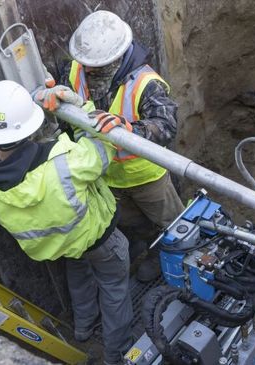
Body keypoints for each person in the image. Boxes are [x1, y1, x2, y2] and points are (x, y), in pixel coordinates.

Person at [0, 80, 133, 365]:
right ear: (29, 126)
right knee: (114, 287)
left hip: (58, 246)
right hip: (98, 239)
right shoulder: (63, 160)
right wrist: (81, 107)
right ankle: (116, 354)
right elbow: (106, 143)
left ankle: (83, 329)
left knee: (79, 275)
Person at [58, 10, 184, 282]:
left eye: (95, 64)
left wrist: (131, 130)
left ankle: (174, 257)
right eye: (85, 62)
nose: (88, 69)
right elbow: (65, 93)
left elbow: (166, 125)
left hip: (147, 177)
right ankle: (149, 245)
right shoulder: (75, 69)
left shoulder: (145, 83)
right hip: (108, 178)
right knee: (130, 222)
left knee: (173, 223)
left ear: (116, 56)